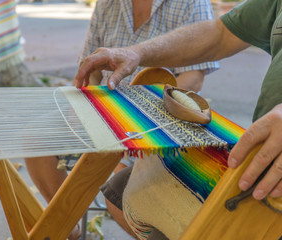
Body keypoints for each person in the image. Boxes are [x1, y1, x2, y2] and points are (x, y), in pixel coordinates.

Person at [75, 0, 282, 237]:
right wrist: (137, 53)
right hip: (261, 162)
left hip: (272, 184)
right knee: (120, 189)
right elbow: (220, 34)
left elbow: (197, 74)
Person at [25, 0, 219, 238]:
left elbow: (194, 78)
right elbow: (92, 70)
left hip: (161, 124)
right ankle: (66, 229)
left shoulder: (191, 3)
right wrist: (88, 109)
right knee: (36, 139)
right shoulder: (108, 3)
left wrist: (136, 112)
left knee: (119, 190)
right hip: (106, 114)